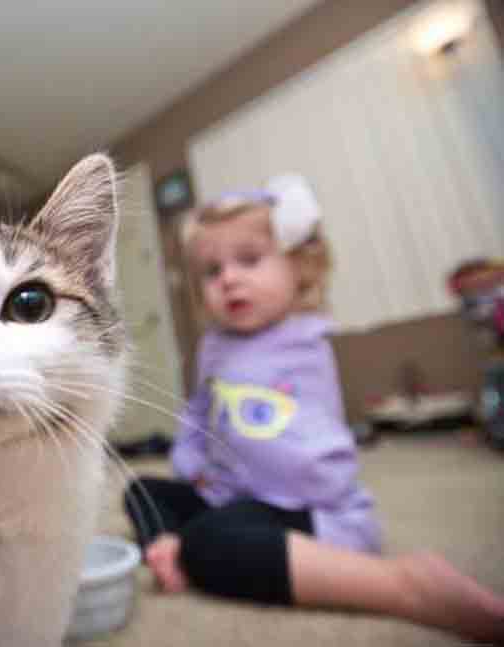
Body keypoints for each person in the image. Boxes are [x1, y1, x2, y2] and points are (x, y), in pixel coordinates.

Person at [124, 175, 504, 643]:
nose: (228, 278)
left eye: (249, 260)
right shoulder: (212, 347)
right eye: (211, 270)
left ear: (298, 270)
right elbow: (199, 411)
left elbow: (312, 451)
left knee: (210, 542)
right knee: (141, 489)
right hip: (228, 493)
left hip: (306, 506)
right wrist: (192, 463)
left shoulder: (305, 337)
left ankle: (407, 586)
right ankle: (167, 549)